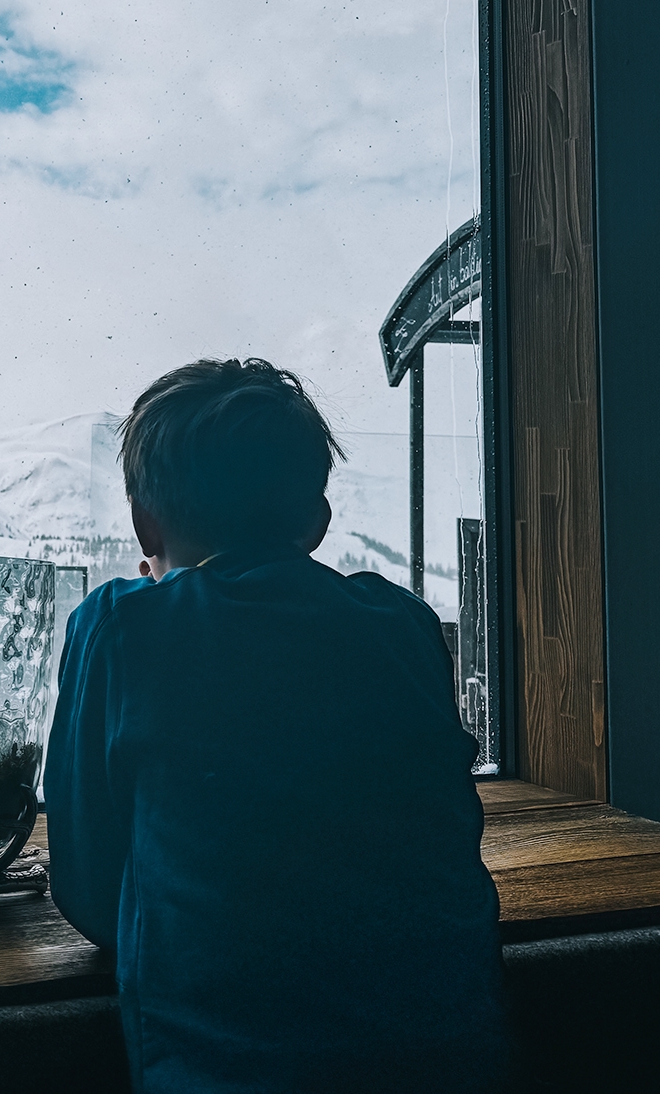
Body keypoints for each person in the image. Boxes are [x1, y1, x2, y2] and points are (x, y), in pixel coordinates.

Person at [46, 358, 509, 1092]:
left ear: (144, 521)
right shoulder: (402, 626)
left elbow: (91, 891)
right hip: (454, 1061)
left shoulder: (122, 625)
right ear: (317, 522)